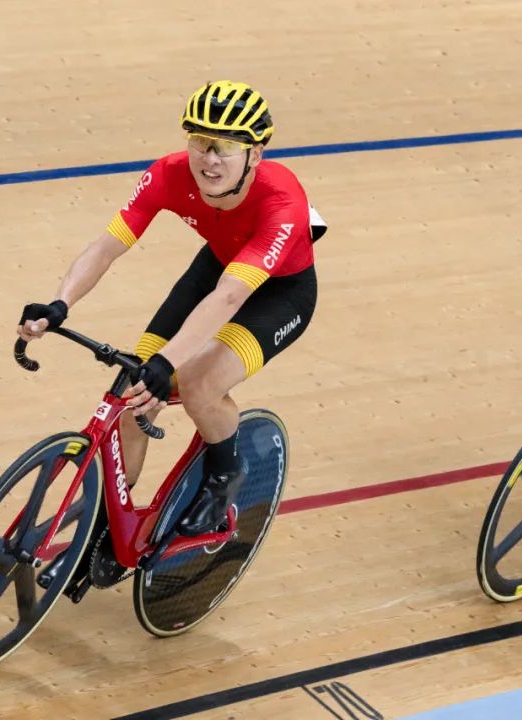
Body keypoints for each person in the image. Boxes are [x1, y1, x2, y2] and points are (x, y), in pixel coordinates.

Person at [18, 81, 325, 537]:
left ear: (255, 155)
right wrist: (61, 302)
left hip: (280, 293)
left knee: (198, 383)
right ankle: (110, 530)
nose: (210, 159)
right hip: (220, 264)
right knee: (134, 393)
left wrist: (168, 362)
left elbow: (229, 297)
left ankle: (225, 476)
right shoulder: (168, 174)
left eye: (226, 147)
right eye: (200, 142)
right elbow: (107, 246)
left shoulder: (282, 200)